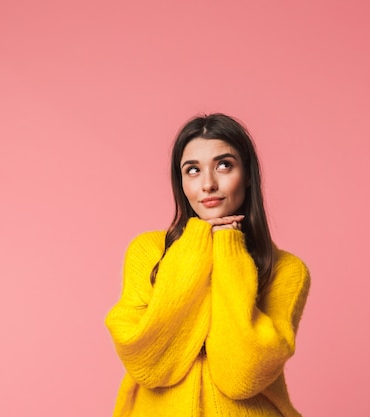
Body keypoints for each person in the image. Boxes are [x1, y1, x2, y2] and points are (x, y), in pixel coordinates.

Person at [105, 113, 310, 417]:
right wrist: (198, 242)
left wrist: (228, 248)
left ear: (249, 174)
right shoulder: (148, 252)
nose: (208, 184)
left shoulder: (286, 270)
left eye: (224, 165)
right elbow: (148, 365)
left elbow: (241, 376)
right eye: (193, 170)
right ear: (181, 181)